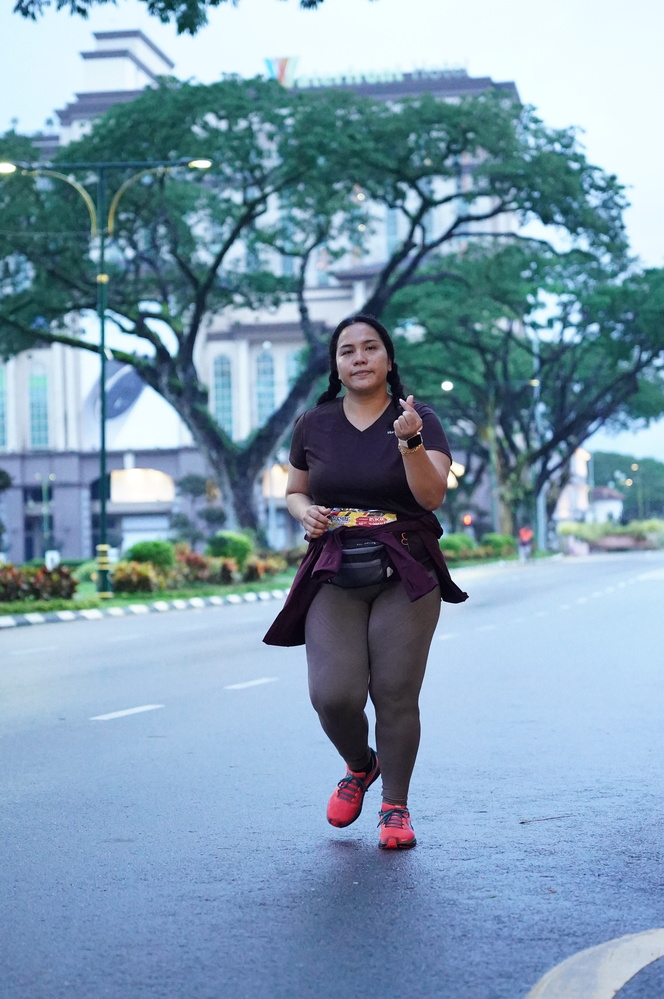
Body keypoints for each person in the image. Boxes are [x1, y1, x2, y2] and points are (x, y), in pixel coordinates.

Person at [264, 314, 467, 849]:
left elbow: (431, 496)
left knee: (395, 693)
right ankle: (360, 765)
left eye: (370, 348)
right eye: (347, 350)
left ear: (388, 359)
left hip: (407, 568)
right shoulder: (313, 423)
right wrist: (303, 512)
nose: (359, 358)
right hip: (335, 566)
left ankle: (395, 807)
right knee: (333, 695)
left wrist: (410, 442)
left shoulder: (418, 419)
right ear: (336, 365)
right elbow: (295, 490)